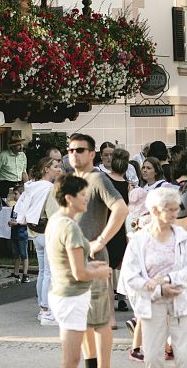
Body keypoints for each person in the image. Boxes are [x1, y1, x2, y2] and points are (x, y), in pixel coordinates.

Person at [68, 133, 128, 368]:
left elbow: (121, 209)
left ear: (92, 154)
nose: (74, 154)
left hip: (94, 260)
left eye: (80, 150)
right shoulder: (72, 179)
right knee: (81, 318)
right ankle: (91, 363)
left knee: (100, 320)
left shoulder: (98, 179)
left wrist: (101, 240)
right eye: (71, 150)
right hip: (75, 261)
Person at [45, 174, 112, 368]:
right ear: (69, 198)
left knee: (71, 358)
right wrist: (98, 273)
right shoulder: (70, 227)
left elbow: (67, 262)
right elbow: (79, 273)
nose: (87, 198)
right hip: (71, 296)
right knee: (71, 360)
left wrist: (92, 266)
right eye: (83, 194)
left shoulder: (56, 220)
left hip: (64, 293)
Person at [120, 187, 187, 368]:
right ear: (155, 210)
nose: (176, 213)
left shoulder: (183, 237)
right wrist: (158, 289)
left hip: (179, 300)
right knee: (152, 356)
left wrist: (168, 281)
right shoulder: (139, 240)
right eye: (170, 209)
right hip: (151, 303)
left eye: (176, 208)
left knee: (184, 356)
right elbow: (130, 276)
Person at [14, 157, 61, 325]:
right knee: (49, 272)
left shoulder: (31, 186)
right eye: (55, 166)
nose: (58, 169)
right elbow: (54, 213)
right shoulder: (49, 188)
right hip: (48, 231)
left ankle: (43, 309)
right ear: (46, 169)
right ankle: (47, 311)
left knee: (43, 271)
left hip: (34, 231)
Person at [105, 148, 130, 321]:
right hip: (122, 229)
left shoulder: (105, 181)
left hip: (106, 226)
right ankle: (122, 299)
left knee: (106, 269)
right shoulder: (128, 185)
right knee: (122, 267)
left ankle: (110, 313)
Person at [0, 135, 28, 200]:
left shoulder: (22, 155)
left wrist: (28, 187)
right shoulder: (2, 156)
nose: (21, 147)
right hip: (5, 185)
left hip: (19, 185)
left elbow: (24, 172)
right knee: (5, 206)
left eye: (21, 144)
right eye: (18, 145)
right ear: (12, 146)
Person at [8, 185, 29, 282]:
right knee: (16, 254)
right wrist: (11, 222)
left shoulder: (25, 207)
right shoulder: (14, 207)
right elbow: (13, 218)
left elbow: (28, 221)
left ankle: (25, 274)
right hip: (15, 233)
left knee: (24, 254)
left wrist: (18, 223)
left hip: (22, 233)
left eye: (16, 194)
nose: (14, 196)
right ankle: (16, 273)